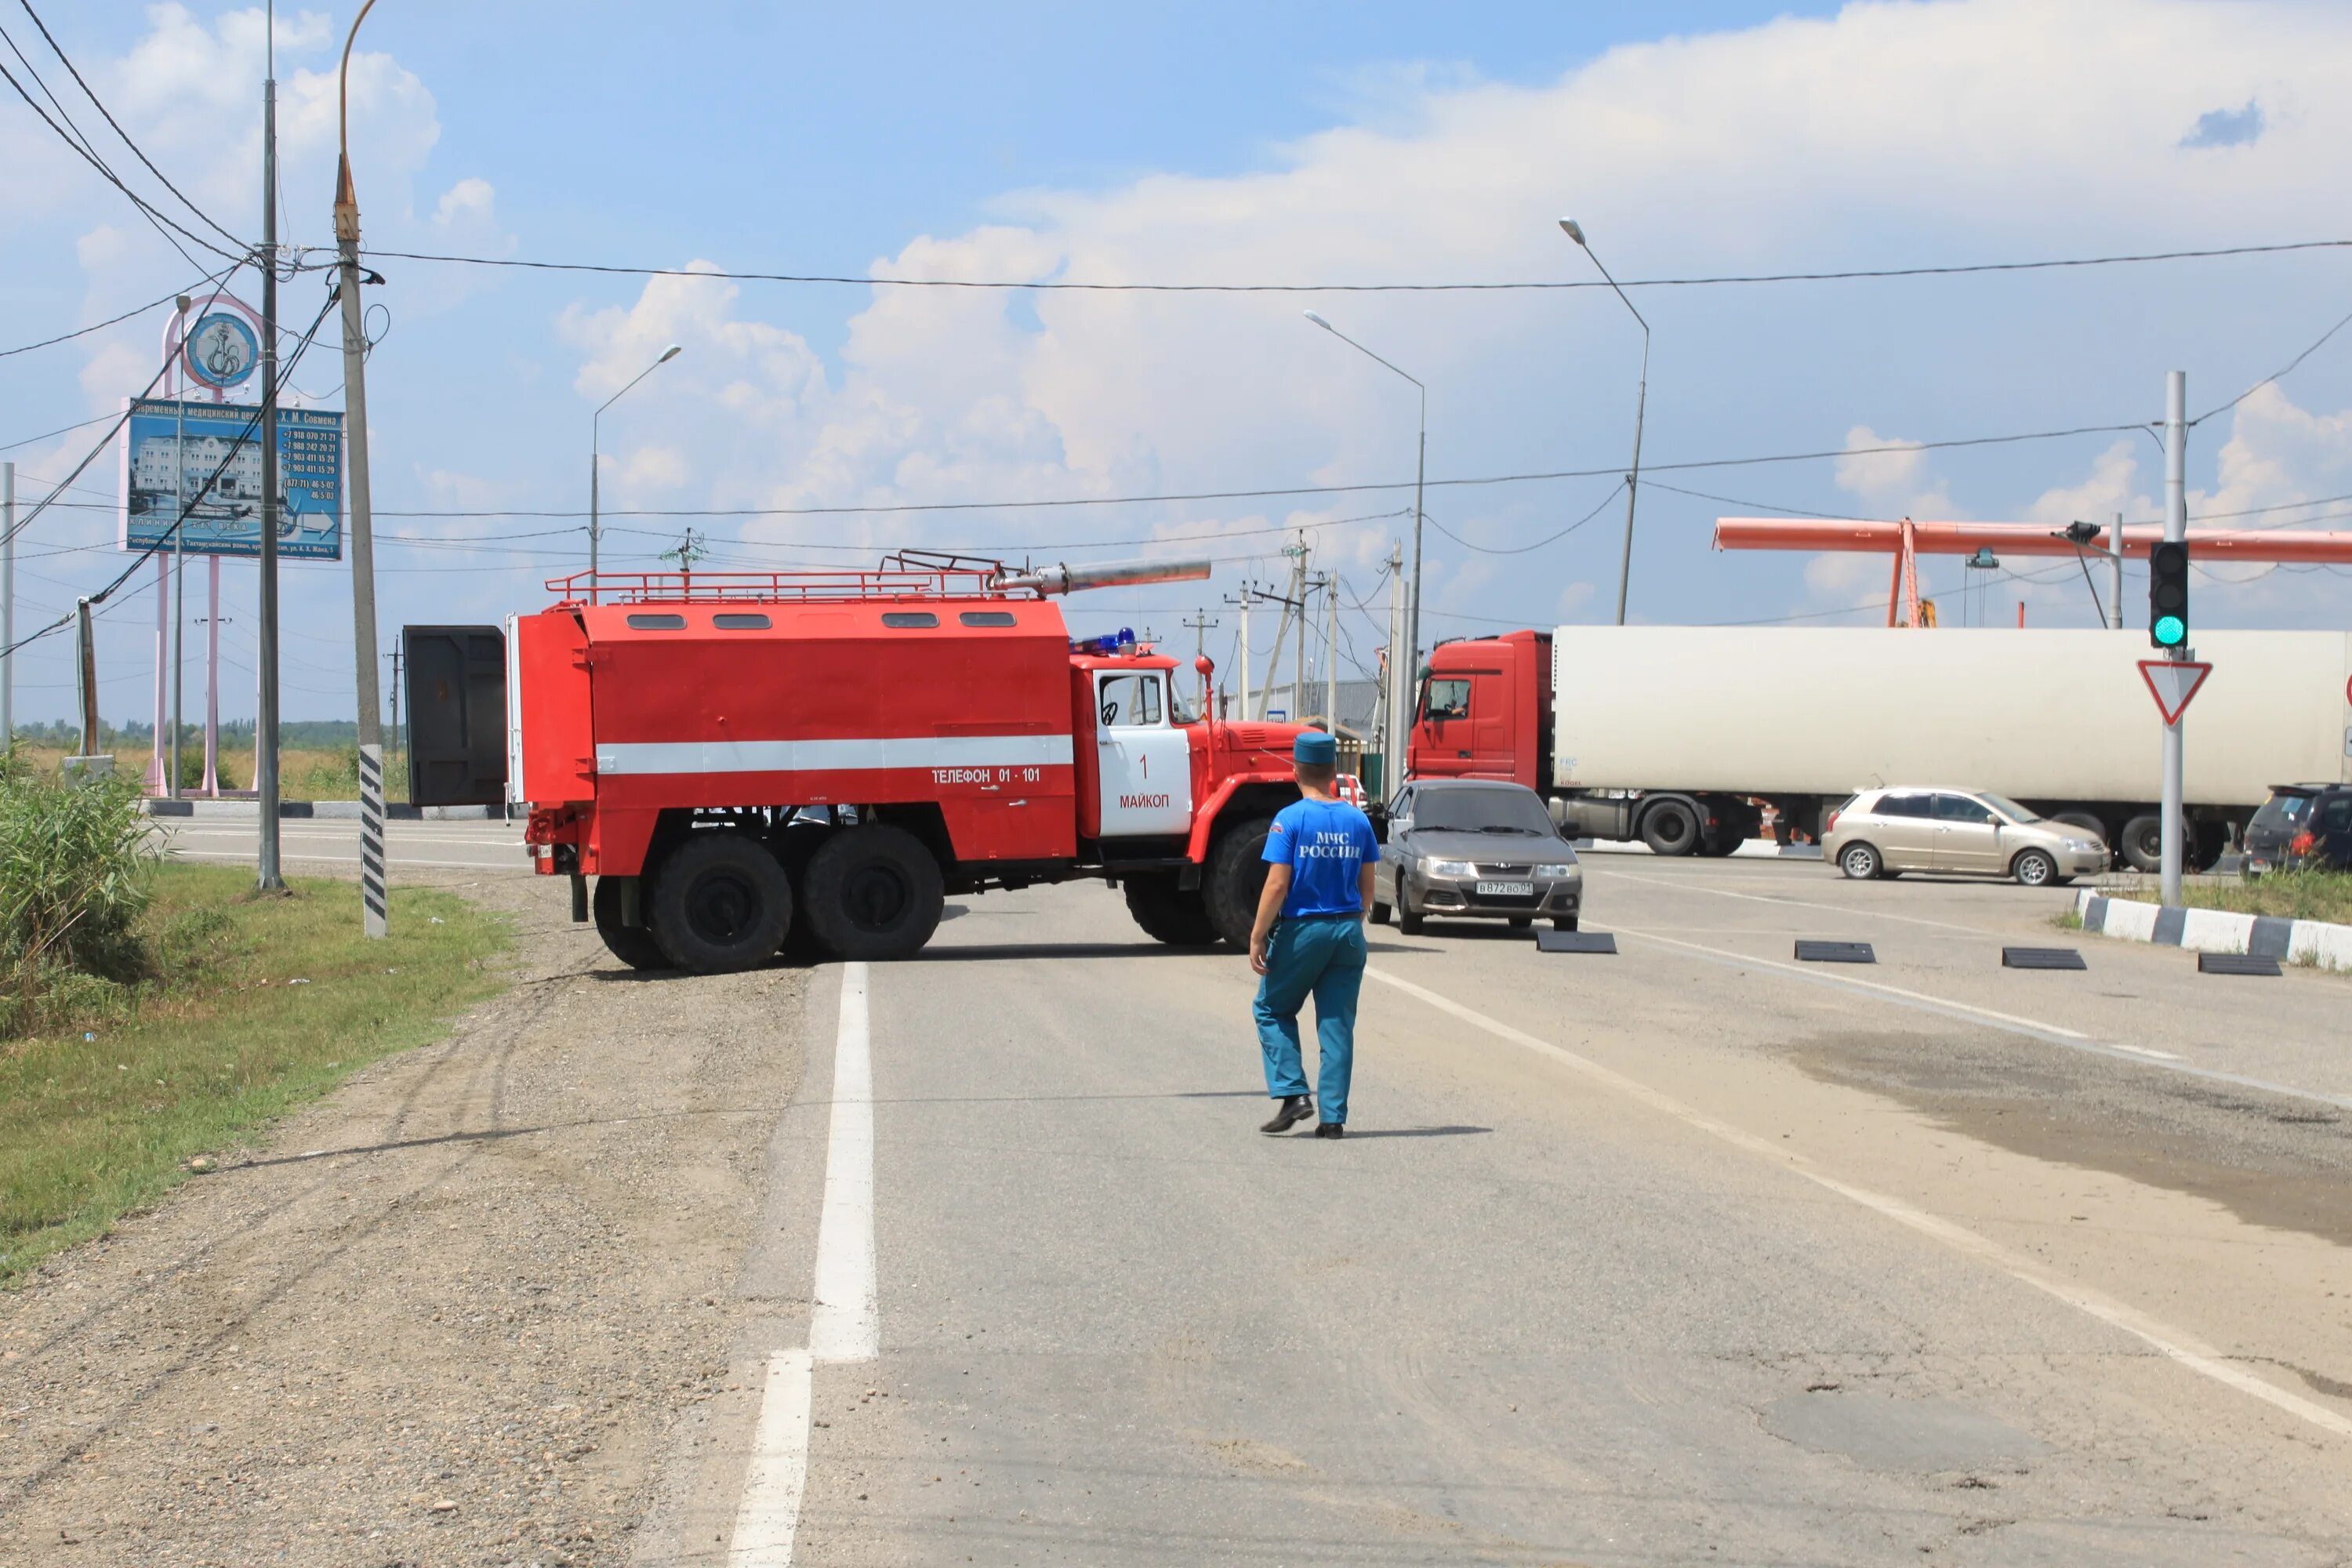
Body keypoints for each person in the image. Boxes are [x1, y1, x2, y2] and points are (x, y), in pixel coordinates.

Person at [1249, 730, 1380, 1139]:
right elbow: (1369, 886)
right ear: (1334, 772)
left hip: (1304, 929)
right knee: (1337, 1023)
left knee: (1271, 1009)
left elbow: (1276, 885)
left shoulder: (1291, 819)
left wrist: (1256, 936)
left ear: (1295, 771)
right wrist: (1353, 920)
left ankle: (1292, 1094)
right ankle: (1333, 1118)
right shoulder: (1358, 820)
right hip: (1348, 930)